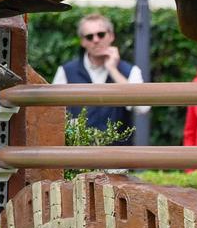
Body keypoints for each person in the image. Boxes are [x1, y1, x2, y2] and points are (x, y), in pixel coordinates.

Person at [52, 13, 150, 143]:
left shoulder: (130, 71)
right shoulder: (66, 71)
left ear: (111, 36)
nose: (96, 40)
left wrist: (113, 70)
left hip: (118, 158)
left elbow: (144, 108)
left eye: (101, 34)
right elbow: (52, 113)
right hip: (78, 156)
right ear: (83, 41)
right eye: (89, 36)